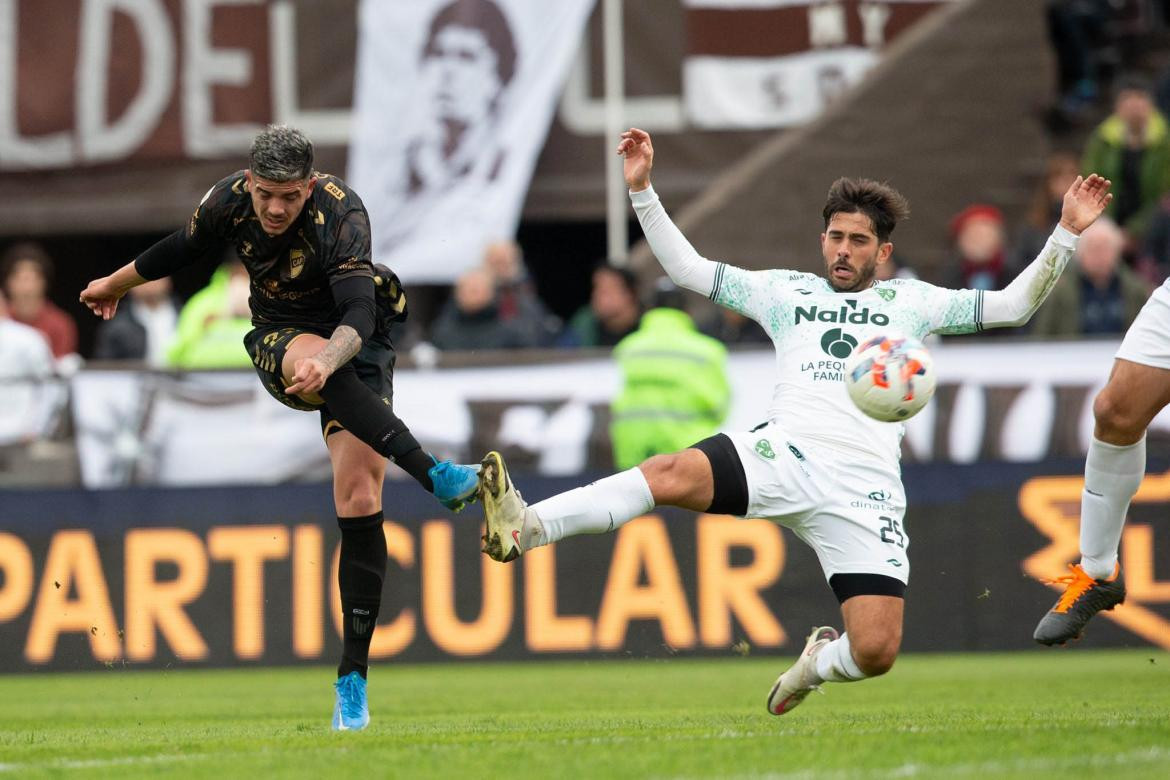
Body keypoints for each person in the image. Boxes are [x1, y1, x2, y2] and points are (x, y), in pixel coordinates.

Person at [475, 128, 1113, 716]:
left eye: (858, 240)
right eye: (835, 236)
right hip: (784, 454)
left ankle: (815, 665)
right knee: (666, 471)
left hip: (865, 488)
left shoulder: (914, 304)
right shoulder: (787, 294)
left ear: (882, 252)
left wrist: (1066, 233)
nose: (842, 250)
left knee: (876, 652)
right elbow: (688, 271)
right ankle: (528, 525)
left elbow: (1014, 307)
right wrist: (642, 190)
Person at [79, 125, 480, 732]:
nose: (273, 207)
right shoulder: (228, 200)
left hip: (355, 339)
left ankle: (351, 683)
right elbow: (177, 248)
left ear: (310, 186)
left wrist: (332, 356)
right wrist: (114, 282)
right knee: (308, 357)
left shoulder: (342, 213)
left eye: (288, 196)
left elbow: (358, 311)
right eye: (266, 192)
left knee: (360, 496)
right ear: (249, 181)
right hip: (278, 337)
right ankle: (438, 476)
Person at [611, 278, 730, 469]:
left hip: (635, 461)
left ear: (649, 309)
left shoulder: (627, 349)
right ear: (686, 311)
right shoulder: (709, 352)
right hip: (689, 457)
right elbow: (720, 407)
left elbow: (616, 403)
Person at [1082, 74, 1170, 244]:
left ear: (1151, 104)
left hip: (1157, 226)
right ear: (1117, 106)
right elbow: (1090, 183)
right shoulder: (1102, 140)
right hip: (1108, 224)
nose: (1134, 105)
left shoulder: (1165, 142)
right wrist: (1111, 230)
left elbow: (1165, 194)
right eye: (1128, 98)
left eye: (1140, 98)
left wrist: (1135, 230)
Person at [1030, 217, 1149, 337]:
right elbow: (1042, 338)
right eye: (1093, 248)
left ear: (1117, 251)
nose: (1099, 255)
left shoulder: (1136, 290)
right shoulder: (1059, 292)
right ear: (1080, 252)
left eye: (1105, 248)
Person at [166, 259, 255, 368]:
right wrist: (217, 319)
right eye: (239, 273)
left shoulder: (271, 304)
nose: (242, 280)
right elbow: (179, 351)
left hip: (257, 378)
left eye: (248, 274)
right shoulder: (202, 302)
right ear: (231, 271)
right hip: (203, 377)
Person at [0, 241, 78, 359]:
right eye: (20, 279)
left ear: (44, 282)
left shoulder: (61, 324)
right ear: (8, 283)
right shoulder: (2, 322)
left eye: (32, 279)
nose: (27, 288)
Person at [430, 265, 535, 350]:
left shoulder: (510, 335)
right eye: (464, 290)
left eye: (475, 290)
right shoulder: (442, 333)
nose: (468, 295)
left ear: (490, 293)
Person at [92, 277, 179, 366]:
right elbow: (104, 367)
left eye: (157, 275)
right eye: (142, 277)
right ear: (130, 286)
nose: (150, 282)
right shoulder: (115, 326)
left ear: (168, 280)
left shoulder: (186, 315)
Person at [560, 263, 642, 348]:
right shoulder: (584, 325)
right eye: (596, 288)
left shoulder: (650, 323)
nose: (597, 296)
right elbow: (561, 355)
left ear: (629, 293)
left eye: (607, 290)